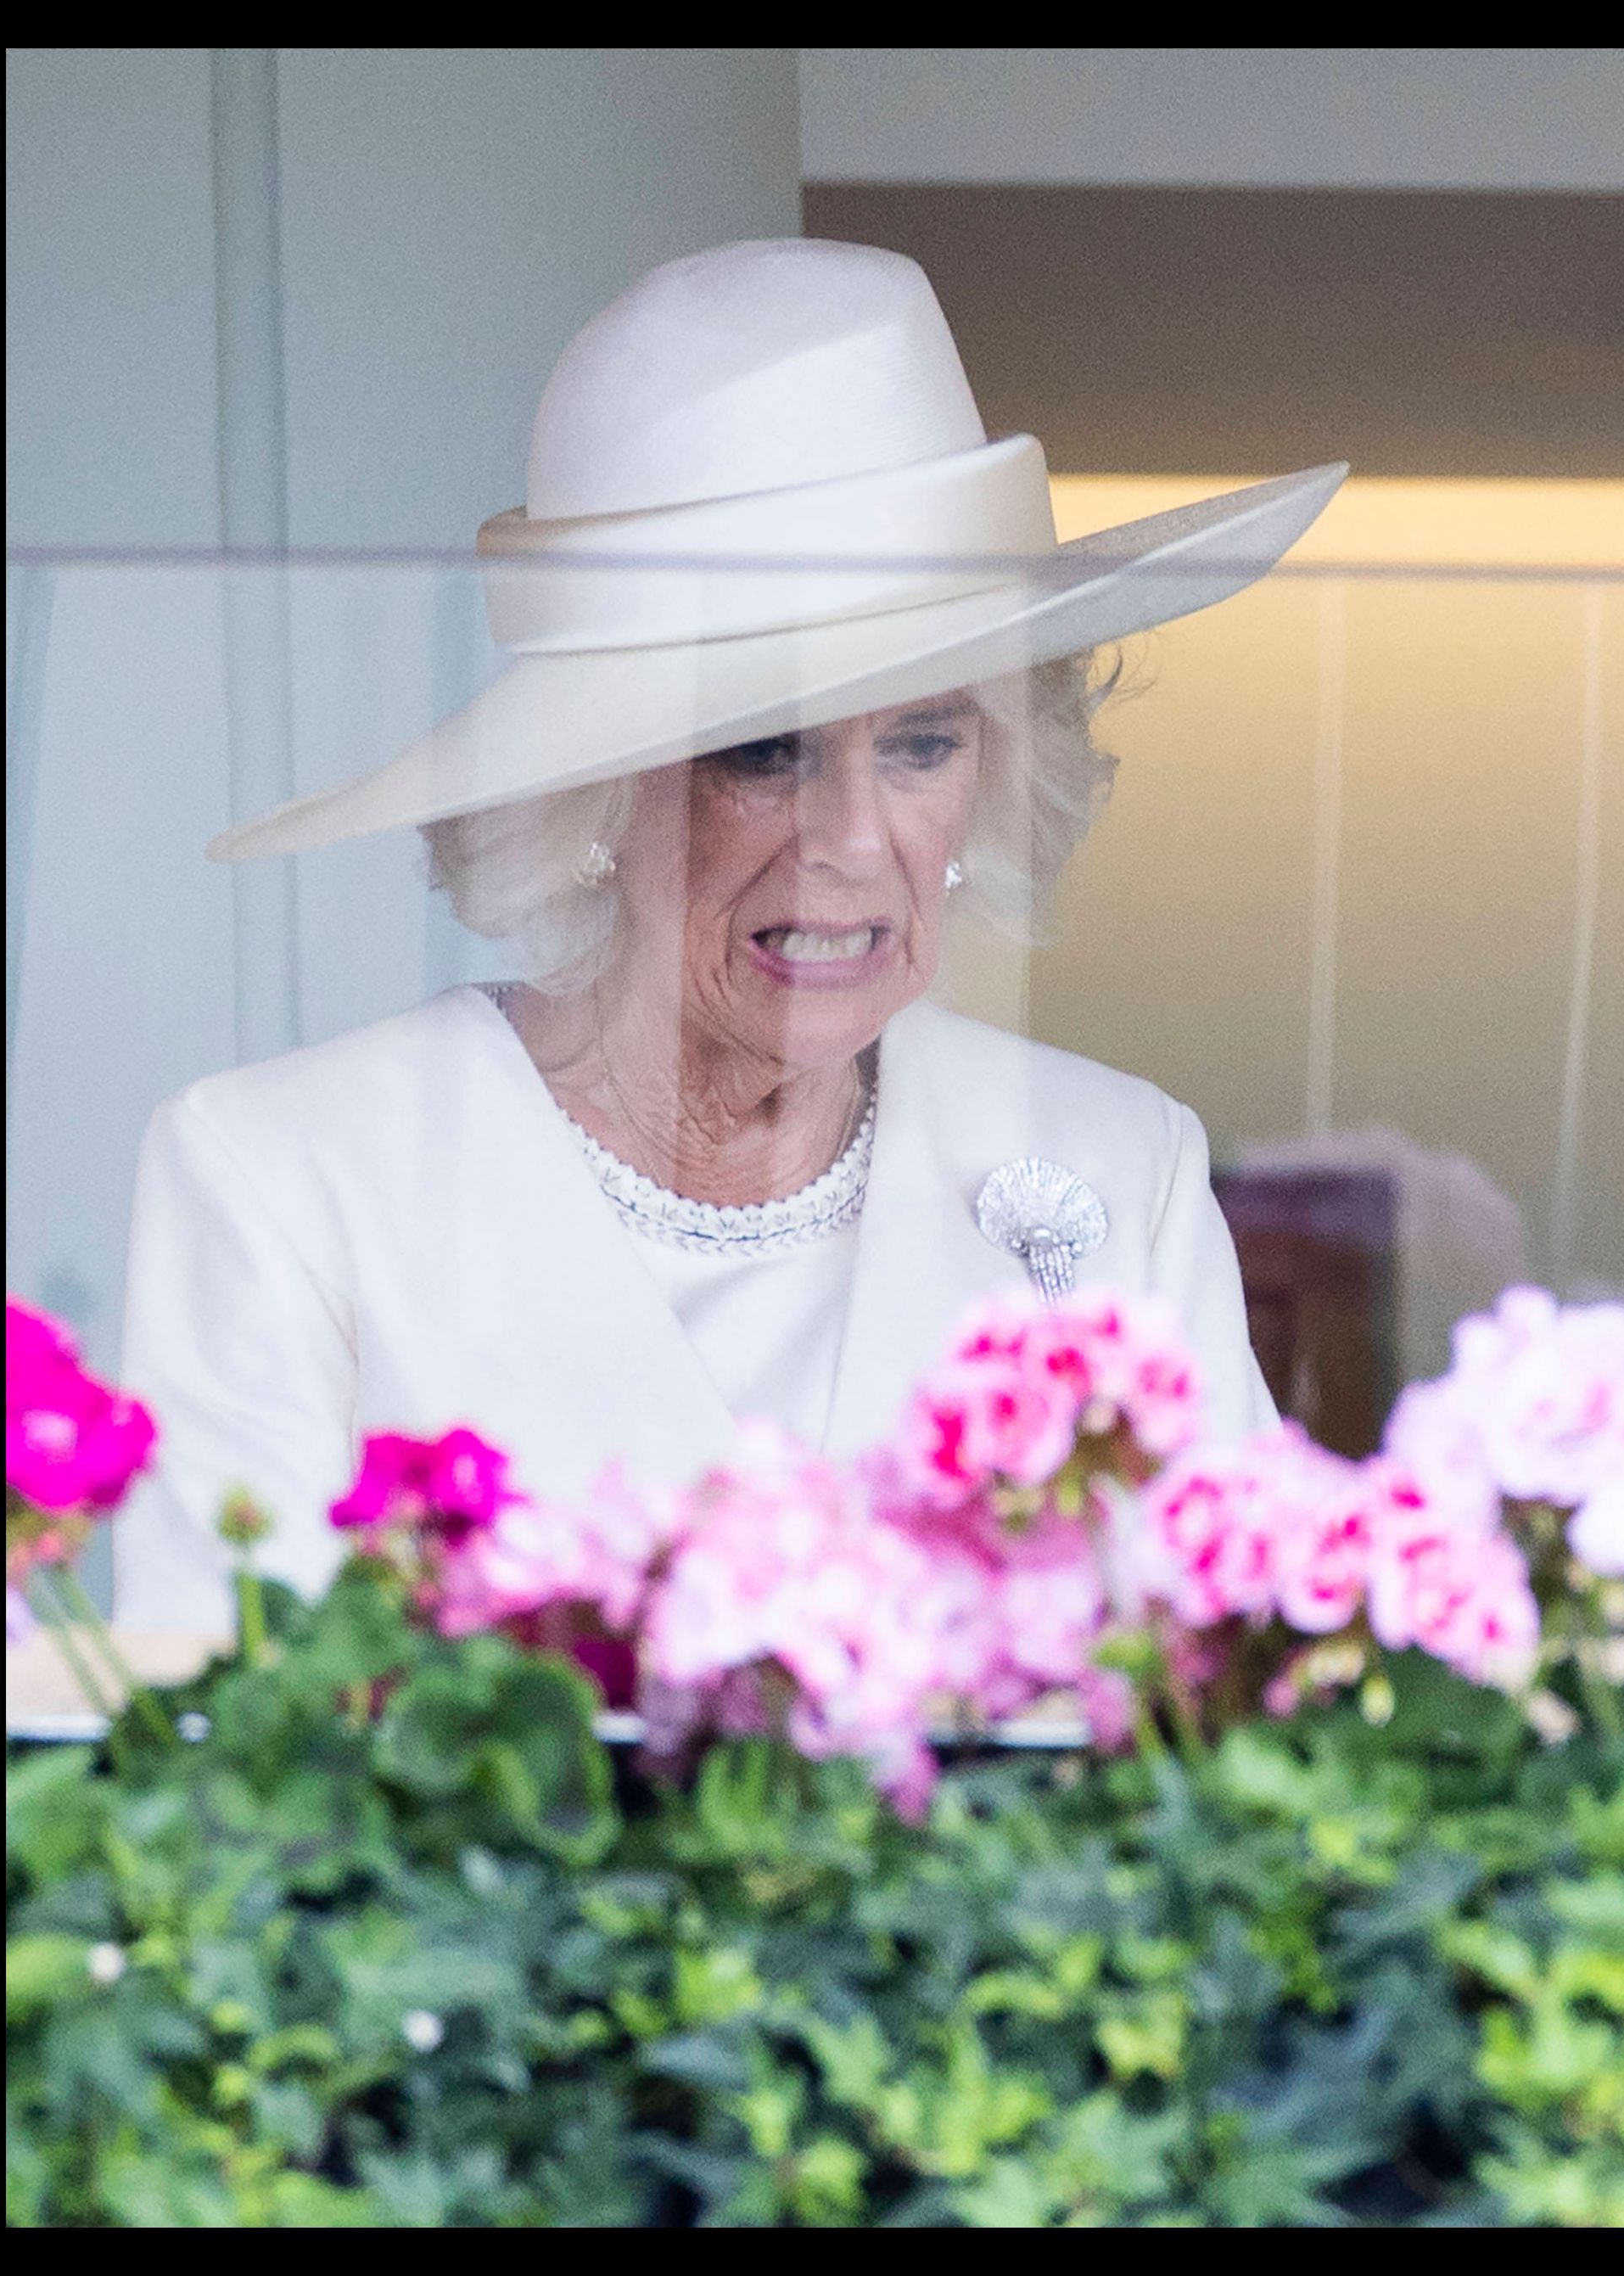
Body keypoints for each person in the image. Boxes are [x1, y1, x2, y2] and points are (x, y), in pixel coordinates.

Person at [113, 239, 1341, 1628]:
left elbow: (1237, 1711)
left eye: (925, 741)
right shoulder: (293, 1178)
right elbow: (226, 1772)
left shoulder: (1122, 1170)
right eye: (765, 750)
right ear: (591, 794)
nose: (855, 838)